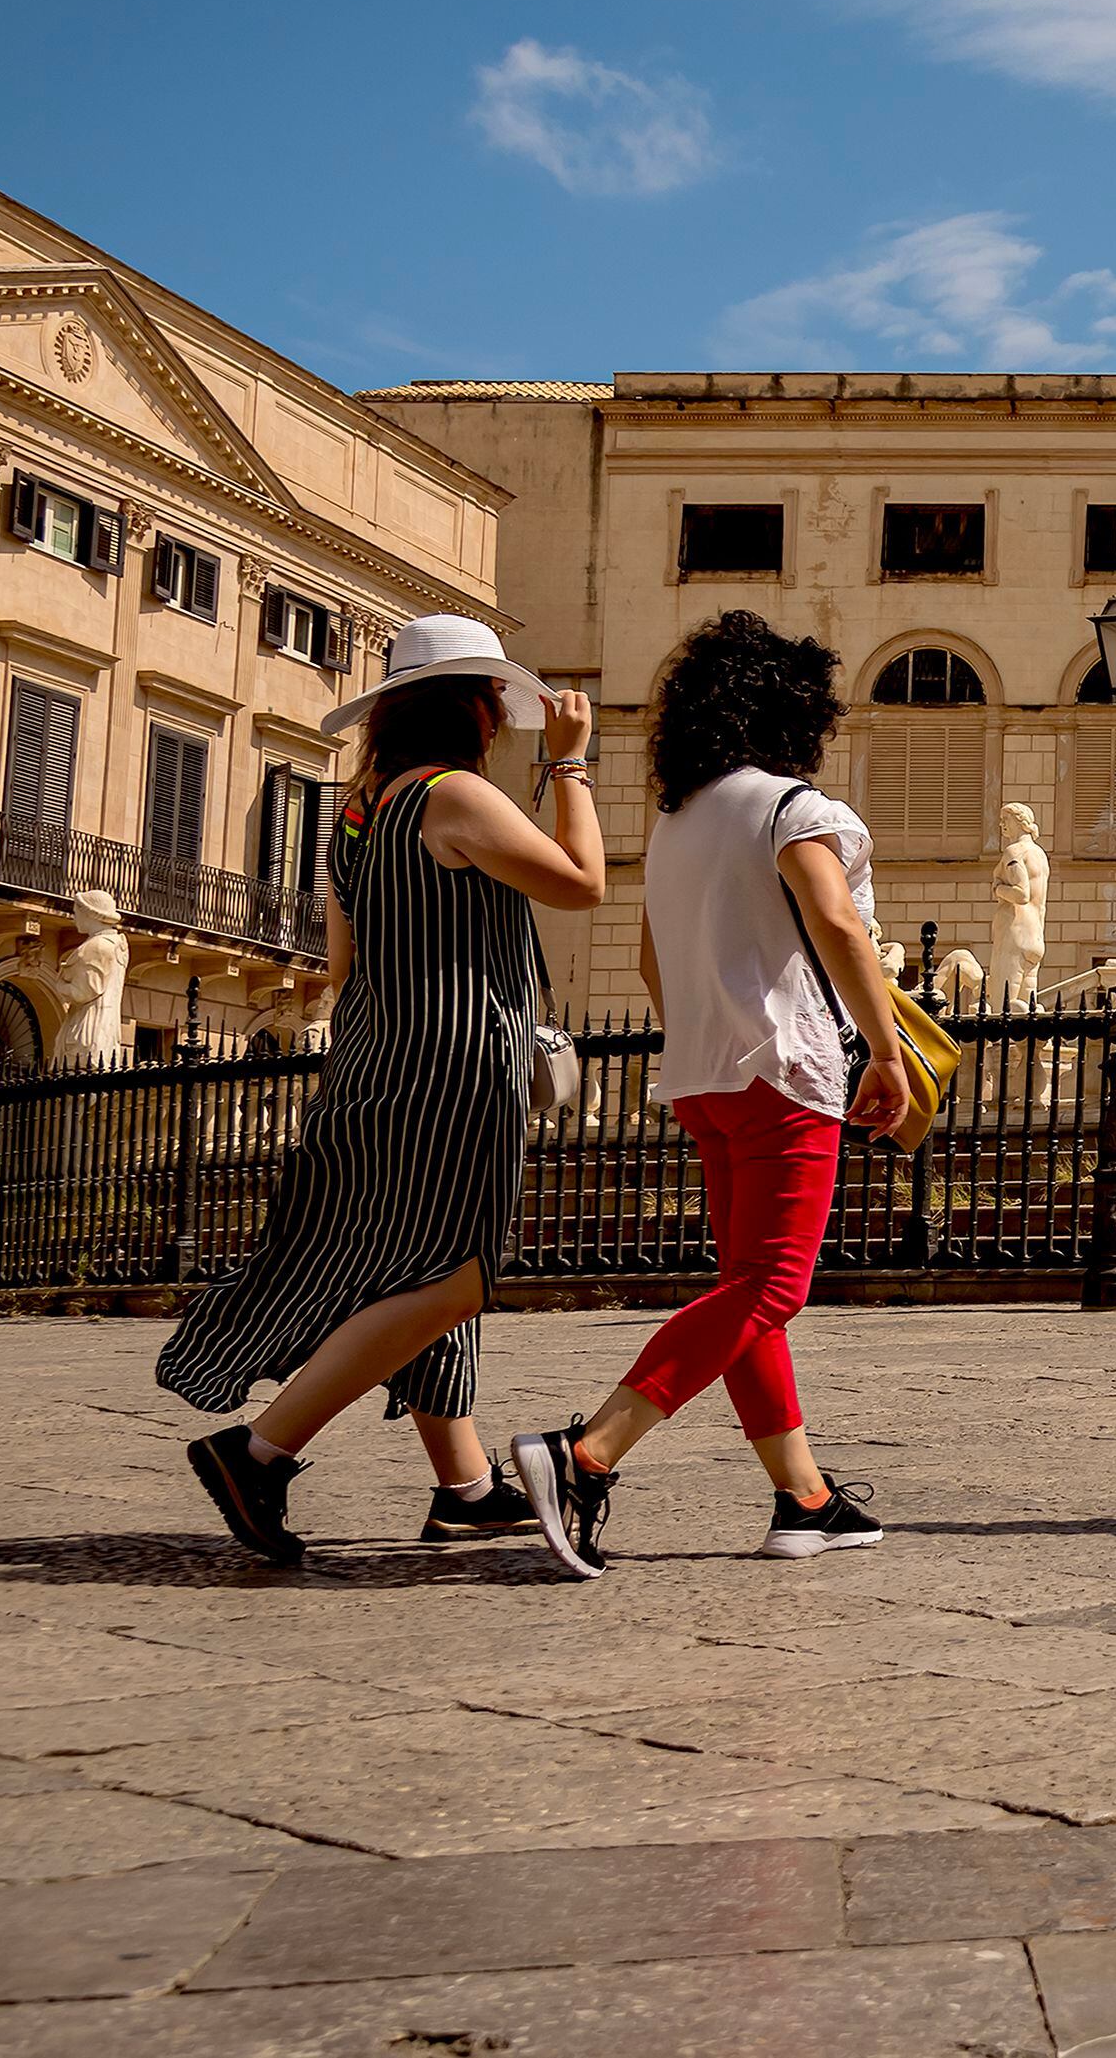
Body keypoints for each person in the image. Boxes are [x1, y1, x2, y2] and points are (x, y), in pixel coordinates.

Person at [161, 615, 605, 1566]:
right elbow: (582, 883)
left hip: (373, 1060)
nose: (501, 718)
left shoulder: (357, 817)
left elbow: (340, 959)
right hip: (452, 1069)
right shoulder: (456, 798)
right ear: (474, 709)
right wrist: (571, 767)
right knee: (457, 1274)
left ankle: (466, 1489)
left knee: (415, 1275)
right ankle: (259, 1452)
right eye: (494, 700)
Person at [507, 615, 913, 1578]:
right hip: (784, 1074)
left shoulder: (680, 822)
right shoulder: (793, 808)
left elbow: (653, 960)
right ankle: (586, 1453)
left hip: (704, 1077)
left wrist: (713, 1021)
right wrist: (887, 1054)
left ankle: (803, 1497)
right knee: (772, 1286)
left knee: (746, 1291)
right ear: (792, 710)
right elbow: (839, 927)